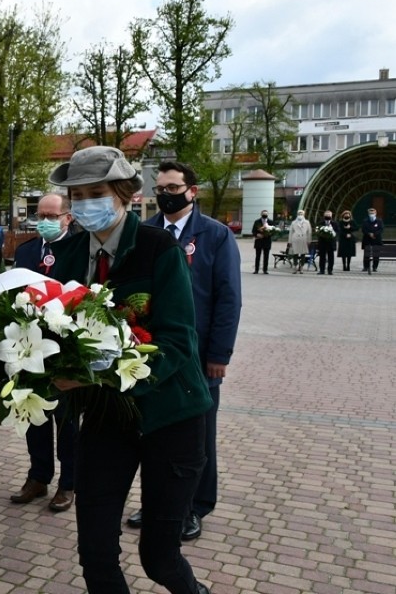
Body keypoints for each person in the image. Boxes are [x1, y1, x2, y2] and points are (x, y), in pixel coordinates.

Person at [48, 146, 213, 594]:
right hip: (106, 419)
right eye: (76, 195)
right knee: (96, 554)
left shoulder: (159, 249)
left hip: (171, 416)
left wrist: (98, 374)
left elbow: (178, 341)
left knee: (159, 558)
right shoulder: (67, 257)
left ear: (122, 193)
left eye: (95, 192)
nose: (84, 204)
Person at [131, 161, 242, 543]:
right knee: (154, 433)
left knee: (199, 438)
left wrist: (220, 355)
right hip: (152, 354)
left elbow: (229, 299)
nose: (165, 193)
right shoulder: (144, 232)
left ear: (192, 191)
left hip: (199, 358)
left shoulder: (215, 235)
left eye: (174, 187)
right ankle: (155, 502)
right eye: (160, 187)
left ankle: (194, 507)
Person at [9, 193, 76, 512]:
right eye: (41, 215)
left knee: (65, 421)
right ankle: (38, 477)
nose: (45, 221)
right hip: (28, 348)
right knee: (34, 414)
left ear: (68, 217)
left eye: (52, 216)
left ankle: (69, 483)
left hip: (65, 350)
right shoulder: (26, 251)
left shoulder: (81, 249)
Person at [288, 210, 312, 274]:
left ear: (304, 214)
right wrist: (289, 241)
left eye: (301, 214)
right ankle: (295, 266)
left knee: (303, 254)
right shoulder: (293, 222)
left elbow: (309, 232)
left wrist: (309, 240)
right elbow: (291, 232)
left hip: (304, 239)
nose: (300, 215)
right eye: (299, 213)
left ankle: (301, 267)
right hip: (295, 239)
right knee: (295, 254)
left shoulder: (307, 222)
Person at [361, 207, 384, 273]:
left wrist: (374, 234)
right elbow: (363, 229)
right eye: (370, 213)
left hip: (376, 239)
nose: (372, 214)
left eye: (373, 213)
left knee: (376, 254)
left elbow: (381, 229)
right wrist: (369, 234)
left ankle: (374, 267)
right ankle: (366, 267)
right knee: (366, 254)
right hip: (367, 239)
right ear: (368, 214)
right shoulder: (365, 221)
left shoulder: (379, 221)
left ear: (375, 213)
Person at [316, 210, 339, 275]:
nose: (328, 216)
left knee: (331, 257)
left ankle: (330, 270)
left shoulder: (335, 223)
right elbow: (317, 231)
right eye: (327, 215)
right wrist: (322, 234)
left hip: (331, 243)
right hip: (322, 243)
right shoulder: (320, 223)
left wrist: (333, 234)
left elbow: (338, 231)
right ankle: (322, 270)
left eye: (329, 215)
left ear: (331, 216)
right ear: (324, 215)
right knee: (322, 257)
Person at [251, 210, 273, 274]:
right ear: (261, 214)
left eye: (266, 214)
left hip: (267, 241)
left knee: (266, 256)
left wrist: (268, 234)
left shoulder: (270, 222)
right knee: (258, 256)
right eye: (263, 214)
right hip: (259, 241)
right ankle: (256, 269)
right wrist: (257, 234)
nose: (265, 215)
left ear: (267, 215)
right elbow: (253, 231)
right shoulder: (257, 221)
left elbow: (273, 231)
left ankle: (265, 270)